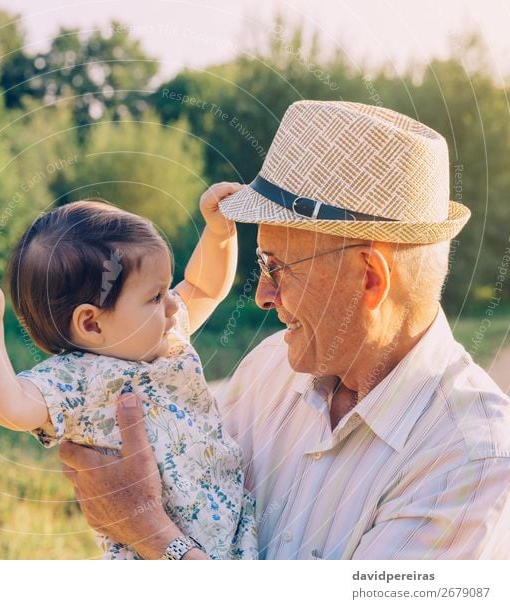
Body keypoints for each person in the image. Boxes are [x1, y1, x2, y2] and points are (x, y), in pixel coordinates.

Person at [58, 100, 510, 559]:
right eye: (261, 263)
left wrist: (150, 533)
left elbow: (150, 516)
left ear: (368, 279)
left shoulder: (469, 459)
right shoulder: (268, 367)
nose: (263, 295)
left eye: (276, 267)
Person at [0, 183, 258, 559]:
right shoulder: (79, 379)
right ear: (91, 323)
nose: (173, 303)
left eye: (167, 289)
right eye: (155, 296)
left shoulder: (165, 338)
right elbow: (9, 405)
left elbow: (203, 286)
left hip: (234, 538)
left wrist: (219, 232)